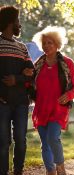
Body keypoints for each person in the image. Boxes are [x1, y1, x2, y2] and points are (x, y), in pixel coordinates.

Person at [31, 26, 74, 175]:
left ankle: (60, 166)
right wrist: (26, 75)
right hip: (41, 109)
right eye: (44, 43)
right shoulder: (38, 65)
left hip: (59, 108)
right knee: (45, 144)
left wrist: (69, 95)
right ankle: (50, 171)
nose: (47, 46)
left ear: (57, 44)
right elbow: (30, 84)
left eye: (50, 43)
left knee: (53, 138)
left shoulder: (67, 63)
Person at [0, 6, 34, 175]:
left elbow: (31, 73)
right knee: (3, 142)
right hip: (2, 103)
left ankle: (18, 171)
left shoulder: (22, 48)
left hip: (21, 103)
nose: (19, 25)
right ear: (9, 23)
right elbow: (26, 72)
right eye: (17, 21)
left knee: (20, 140)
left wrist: (17, 79)